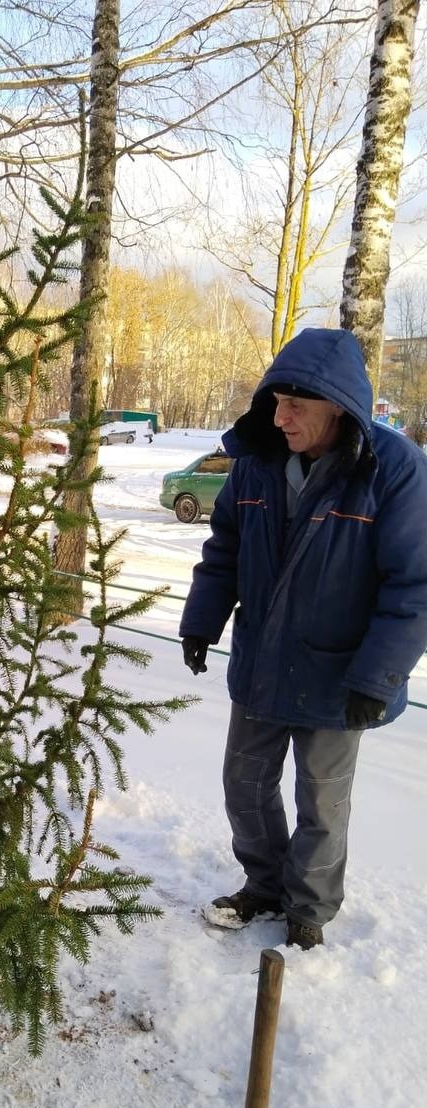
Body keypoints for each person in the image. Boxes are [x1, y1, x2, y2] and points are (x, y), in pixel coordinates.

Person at [179, 327, 427, 949]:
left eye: (295, 405)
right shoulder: (256, 463)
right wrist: (201, 621)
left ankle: (307, 911)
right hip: (262, 662)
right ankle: (264, 885)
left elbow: (414, 585)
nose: (279, 417)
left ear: (336, 406)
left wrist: (377, 677)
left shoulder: (393, 470)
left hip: (340, 675)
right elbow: (224, 550)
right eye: (275, 402)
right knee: (244, 785)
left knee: (322, 802)